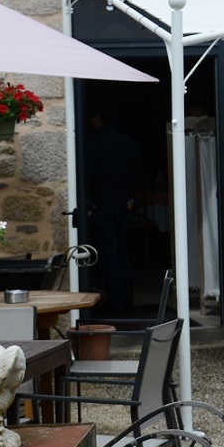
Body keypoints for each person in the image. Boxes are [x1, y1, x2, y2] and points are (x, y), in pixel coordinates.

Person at [85, 111, 142, 312]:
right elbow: (137, 172)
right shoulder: (127, 142)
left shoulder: (94, 143)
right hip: (124, 203)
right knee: (123, 252)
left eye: (92, 117)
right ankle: (127, 299)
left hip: (103, 204)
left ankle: (116, 302)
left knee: (109, 253)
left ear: (98, 118)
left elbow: (88, 174)